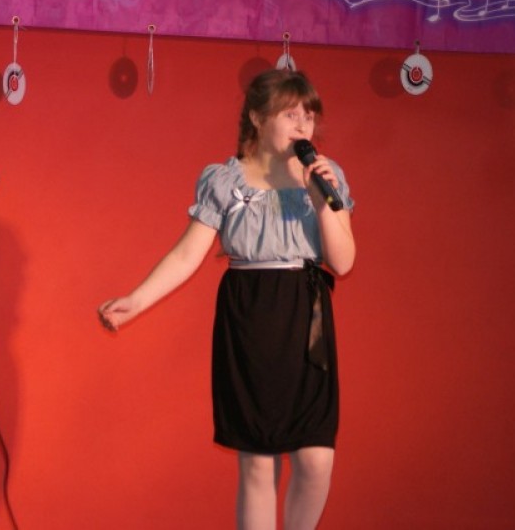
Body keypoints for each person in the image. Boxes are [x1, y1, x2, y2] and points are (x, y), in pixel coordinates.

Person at [97, 68, 356, 530]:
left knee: (316, 459)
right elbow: (185, 256)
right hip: (249, 317)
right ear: (257, 117)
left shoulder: (325, 176)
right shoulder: (225, 180)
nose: (303, 125)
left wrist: (321, 201)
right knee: (258, 463)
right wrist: (135, 300)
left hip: (307, 317)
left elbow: (344, 261)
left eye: (309, 115)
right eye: (290, 114)